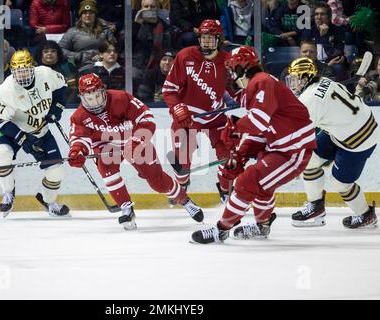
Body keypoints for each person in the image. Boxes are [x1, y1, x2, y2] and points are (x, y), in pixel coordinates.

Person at [191, 46, 317, 244]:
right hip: (279, 146)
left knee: (246, 182)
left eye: (232, 69)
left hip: (293, 151)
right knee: (262, 188)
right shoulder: (257, 85)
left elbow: (258, 121)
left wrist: (234, 128)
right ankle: (262, 227)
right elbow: (261, 130)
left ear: (241, 67)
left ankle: (221, 230)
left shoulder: (262, 81)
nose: (231, 75)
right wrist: (241, 153)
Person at [68, 73, 204, 230]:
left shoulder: (120, 98)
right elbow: (79, 138)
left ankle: (185, 200)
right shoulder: (79, 116)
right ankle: (126, 207)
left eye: (98, 96)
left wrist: (138, 139)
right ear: (82, 97)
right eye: (90, 98)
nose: (95, 102)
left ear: (103, 91)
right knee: (107, 170)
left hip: (135, 141)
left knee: (157, 182)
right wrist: (77, 152)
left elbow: (146, 118)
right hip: (106, 146)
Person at [286, 57, 379, 228]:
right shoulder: (324, 81)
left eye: (295, 79)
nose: (292, 83)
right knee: (309, 160)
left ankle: (366, 214)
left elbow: (297, 135)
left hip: (360, 139)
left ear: (306, 78)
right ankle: (316, 206)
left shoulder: (309, 100)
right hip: (346, 128)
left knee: (340, 183)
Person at [0, 49, 70, 218]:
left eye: (26, 69)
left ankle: (48, 201)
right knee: (0, 156)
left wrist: (57, 108)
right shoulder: (6, 89)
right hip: (11, 131)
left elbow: (62, 86)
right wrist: (22, 138)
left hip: (39, 130)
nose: (23, 75)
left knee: (56, 172)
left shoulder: (45, 73)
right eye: (18, 71)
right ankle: (8, 193)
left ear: (32, 67)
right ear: (12, 71)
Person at [162, 19, 232, 204]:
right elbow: (169, 89)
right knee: (182, 163)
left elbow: (237, 92)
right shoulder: (185, 56)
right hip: (187, 119)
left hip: (216, 118)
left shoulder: (227, 62)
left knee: (229, 157)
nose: (205, 42)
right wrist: (177, 108)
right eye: (203, 37)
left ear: (219, 39)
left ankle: (225, 190)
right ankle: (182, 185)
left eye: (210, 38)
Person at [58, 0, 116, 72]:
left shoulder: (105, 31)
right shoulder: (72, 32)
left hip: (104, 66)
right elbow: (60, 49)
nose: (88, 15)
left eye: (91, 13)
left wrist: (103, 55)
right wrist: (79, 56)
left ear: (95, 15)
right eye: (85, 13)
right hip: (82, 67)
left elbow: (114, 48)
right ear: (81, 15)